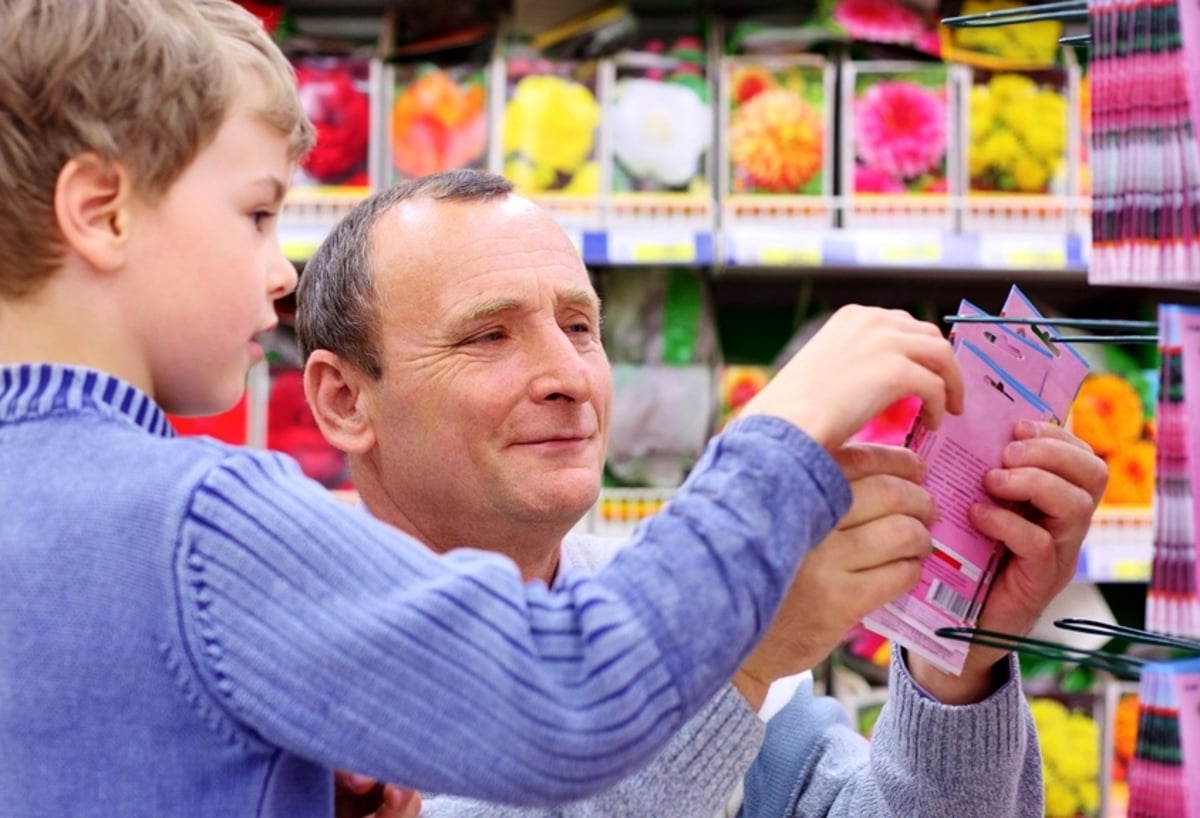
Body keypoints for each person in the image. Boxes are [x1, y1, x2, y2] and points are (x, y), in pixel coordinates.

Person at [0, 2, 969, 816]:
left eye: (581, 326)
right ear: (103, 211)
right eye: (256, 213)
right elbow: (575, 698)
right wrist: (778, 441)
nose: (279, 265)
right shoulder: (200, 518)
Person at [294, 169, 1108, 817]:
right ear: (344, 400)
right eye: (488, 335)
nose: (569, 376)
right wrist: (736, 654)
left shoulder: (645, 583)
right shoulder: (285, 650)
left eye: (580, 327)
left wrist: (952, 663)